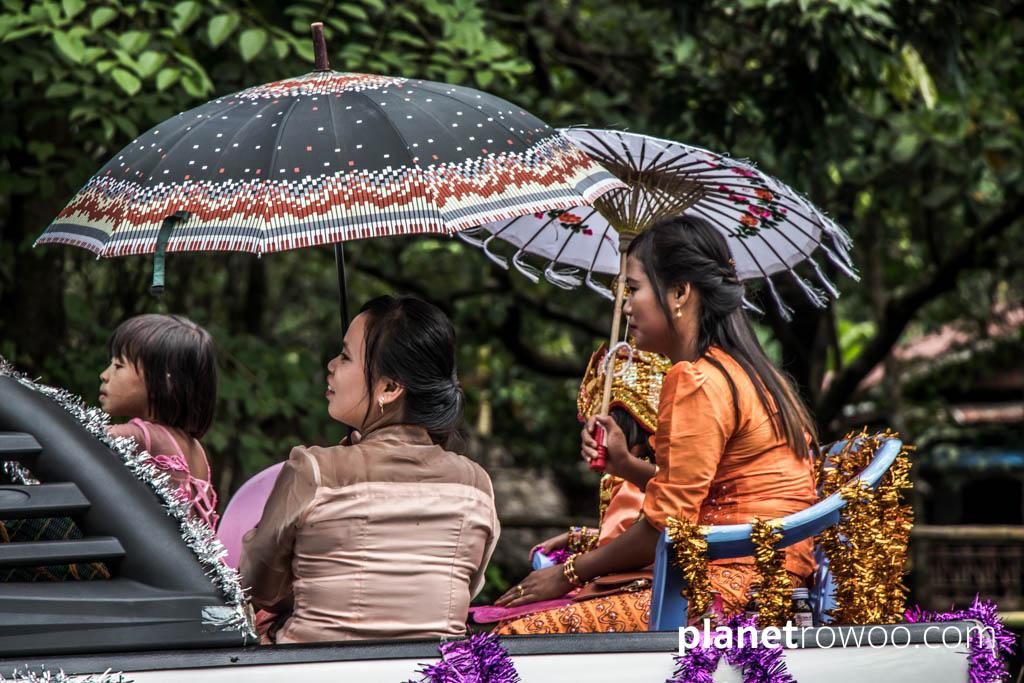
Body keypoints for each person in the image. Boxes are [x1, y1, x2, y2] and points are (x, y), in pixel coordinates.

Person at [494, 215, 819, 633]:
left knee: (517, 635)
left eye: (633, 289)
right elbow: (705, 496)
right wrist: (626, 466)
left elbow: (668, 526)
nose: (625, 306)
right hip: (767, 581)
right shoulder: (752, 375)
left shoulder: (696, 380)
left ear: (680, 292)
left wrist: (569, 573)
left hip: (727, 589)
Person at [240, 295, 499, 644]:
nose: (331, 365)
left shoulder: (315, 470)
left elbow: (256, 585)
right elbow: (466, 585)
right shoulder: (476, 485)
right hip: (436, 671)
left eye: (346, 356)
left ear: (390, 388)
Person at [101, 314, 219, 529]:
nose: (105, 375)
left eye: (118, 366)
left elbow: (72, 439)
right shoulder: (196, 449)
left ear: (164, 382)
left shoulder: (142, 436)